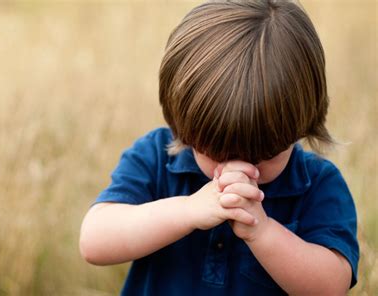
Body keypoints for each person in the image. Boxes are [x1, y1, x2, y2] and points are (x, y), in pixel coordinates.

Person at [79, 0, 359, 295]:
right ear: (184, 127)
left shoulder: (317, 185)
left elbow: (331, 287)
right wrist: (187, 211)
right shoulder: (156, 157)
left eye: (264, 156)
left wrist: (261, 231)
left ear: (301, 123)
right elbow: (94, 241)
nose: (239, 169)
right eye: (216, 154)